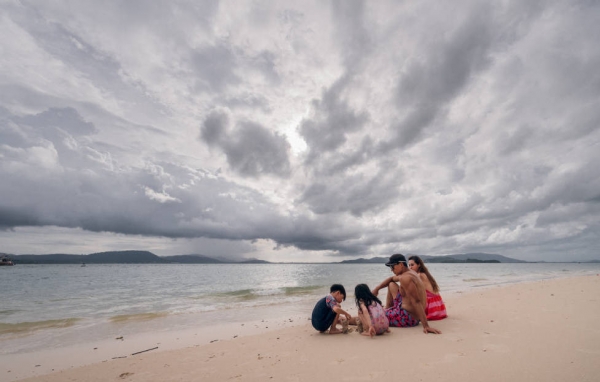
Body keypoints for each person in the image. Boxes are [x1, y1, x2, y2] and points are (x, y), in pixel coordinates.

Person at [372, 254, 441, 334]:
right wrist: (377, 289)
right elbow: (391, 279)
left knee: (375, 316)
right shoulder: (409, 272)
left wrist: (426, 326)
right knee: (391, 284)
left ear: (401, 264)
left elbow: (416, 301)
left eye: (392, 267)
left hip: (407, 318)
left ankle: (354, 320)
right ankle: (388, 310)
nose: (391, 270)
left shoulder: (406, 278)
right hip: (407, 311)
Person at [408, 255, 447, 320]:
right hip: (438, 306)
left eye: (412, 265)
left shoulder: (420, 275)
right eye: (409, 265)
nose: (410, 267)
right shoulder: (424, 273)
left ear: (419, 265)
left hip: (432, 308)